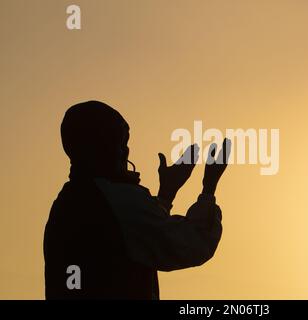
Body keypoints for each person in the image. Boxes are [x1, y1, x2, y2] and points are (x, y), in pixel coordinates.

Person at [44, 100, 230, 299]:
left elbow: (136, 234)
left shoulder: (66, 203)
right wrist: (209, 188)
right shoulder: (117, 199)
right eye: (120, 142)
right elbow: (191, 244)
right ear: (103, 145)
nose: (125, 151)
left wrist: (167, 193)